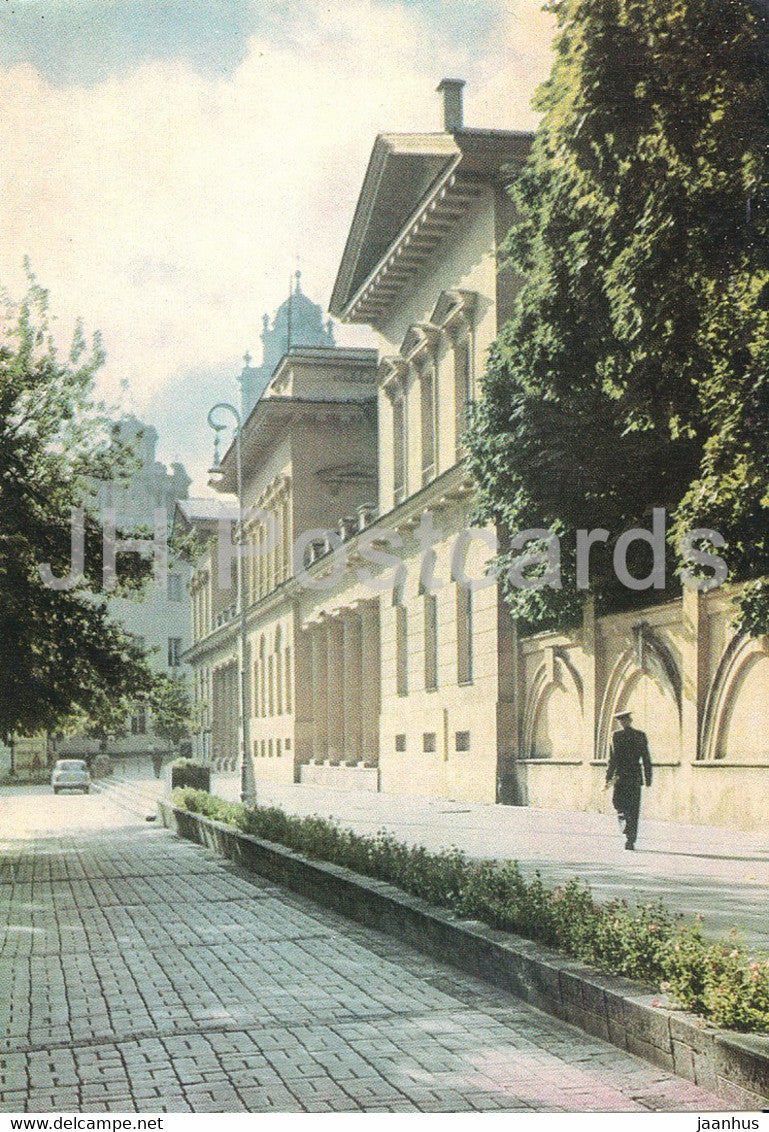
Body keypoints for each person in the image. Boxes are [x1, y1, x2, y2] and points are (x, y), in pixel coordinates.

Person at [605, 710, 652, 850]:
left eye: (624, 720)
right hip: (630, 776)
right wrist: (648, 777)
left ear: (628, 721)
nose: (623, 723)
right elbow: (646, 758)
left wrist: (608, 777)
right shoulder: (635, 735)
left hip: (624, 777)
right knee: (626, 806)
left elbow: (613, 759)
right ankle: (629, 834)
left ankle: (628, 834)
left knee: (625, 806)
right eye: (621, 721)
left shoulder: (620, 736)